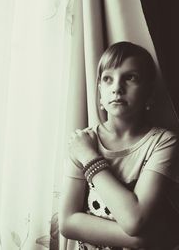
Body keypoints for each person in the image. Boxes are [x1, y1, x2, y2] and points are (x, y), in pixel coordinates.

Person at [59, 41, 179, 250]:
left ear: (149, 92)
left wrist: (89, 158)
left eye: (130, 77)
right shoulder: (83, 141)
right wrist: (142, 240)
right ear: (99, 93)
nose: (117, 88)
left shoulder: (163, 143)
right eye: (108, 79)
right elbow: (68, 223)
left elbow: (134, 220)